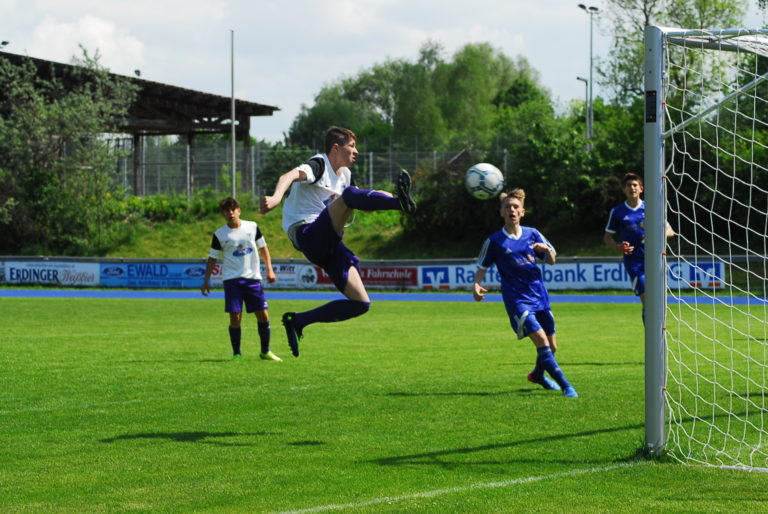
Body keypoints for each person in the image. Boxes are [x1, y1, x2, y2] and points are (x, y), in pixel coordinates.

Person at [260, 125, 416, 357]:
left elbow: (363, 201)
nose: (356, 152)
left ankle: (298, 321)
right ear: (336, 148)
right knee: (350, 196)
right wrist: (275, 198)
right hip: (307, 234)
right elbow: (288, 176)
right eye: (351, 146)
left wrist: (392, 197)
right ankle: (398, 204)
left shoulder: (345, 175)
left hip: (329, 243)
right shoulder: (319, 164)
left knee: (361, 303)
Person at [473, 189, 578, 398]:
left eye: (515, 207)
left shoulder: (533, 233)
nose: (511, 210)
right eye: (507, 207)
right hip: (516, 298)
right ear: (501, 212)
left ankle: (538, 374)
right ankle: (567, 385)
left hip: (539, 295)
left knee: (552, 346)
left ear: (522, 212)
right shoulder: (494, 241)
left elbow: (552, 259)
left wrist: (546, 250)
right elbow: (482, 266)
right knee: (541, 340)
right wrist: (476, 284)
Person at [201, 197, 280, 361]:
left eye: (233, 209)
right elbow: (212, 258)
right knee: (235, 317)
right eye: (226, 211)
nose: (230, 213)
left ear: (239, 210)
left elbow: (263, 248)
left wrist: (270, 270)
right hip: (232, 281)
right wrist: (206, 281)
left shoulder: (252, 226)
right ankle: (237, 354)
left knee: (263, 315)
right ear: (222, 214)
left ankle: (265, 351)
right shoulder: (220, 234)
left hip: (253, 279)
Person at [603, 172, 675, 323]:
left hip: (655, 261)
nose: (632, 188)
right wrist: (618, 247)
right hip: (634, 262)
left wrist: (654, 236)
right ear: (623, 189)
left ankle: (654, 328)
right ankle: (651, 332)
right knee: (647, 297)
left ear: (641, 188)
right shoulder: (617, 212)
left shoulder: (651, 208)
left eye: (635, 185)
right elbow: (607, 237)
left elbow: (670, 232)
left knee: (658, 302)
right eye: (628, 185)